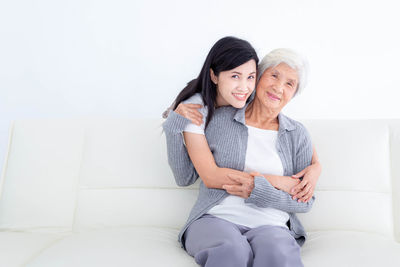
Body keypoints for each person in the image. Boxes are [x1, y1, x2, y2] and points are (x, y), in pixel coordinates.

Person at [163, 39, 320, 266]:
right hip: (215, 219)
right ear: (260, 77)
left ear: (294, 94)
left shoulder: (297, 133)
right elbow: (188, 176)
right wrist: (278, 182)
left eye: (290, 84)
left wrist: (260, 190)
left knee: (279, 254)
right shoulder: (217, 118)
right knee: (233, 252)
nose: (278, 87)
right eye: (274, 76)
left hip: (272, 226)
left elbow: (305, 202)